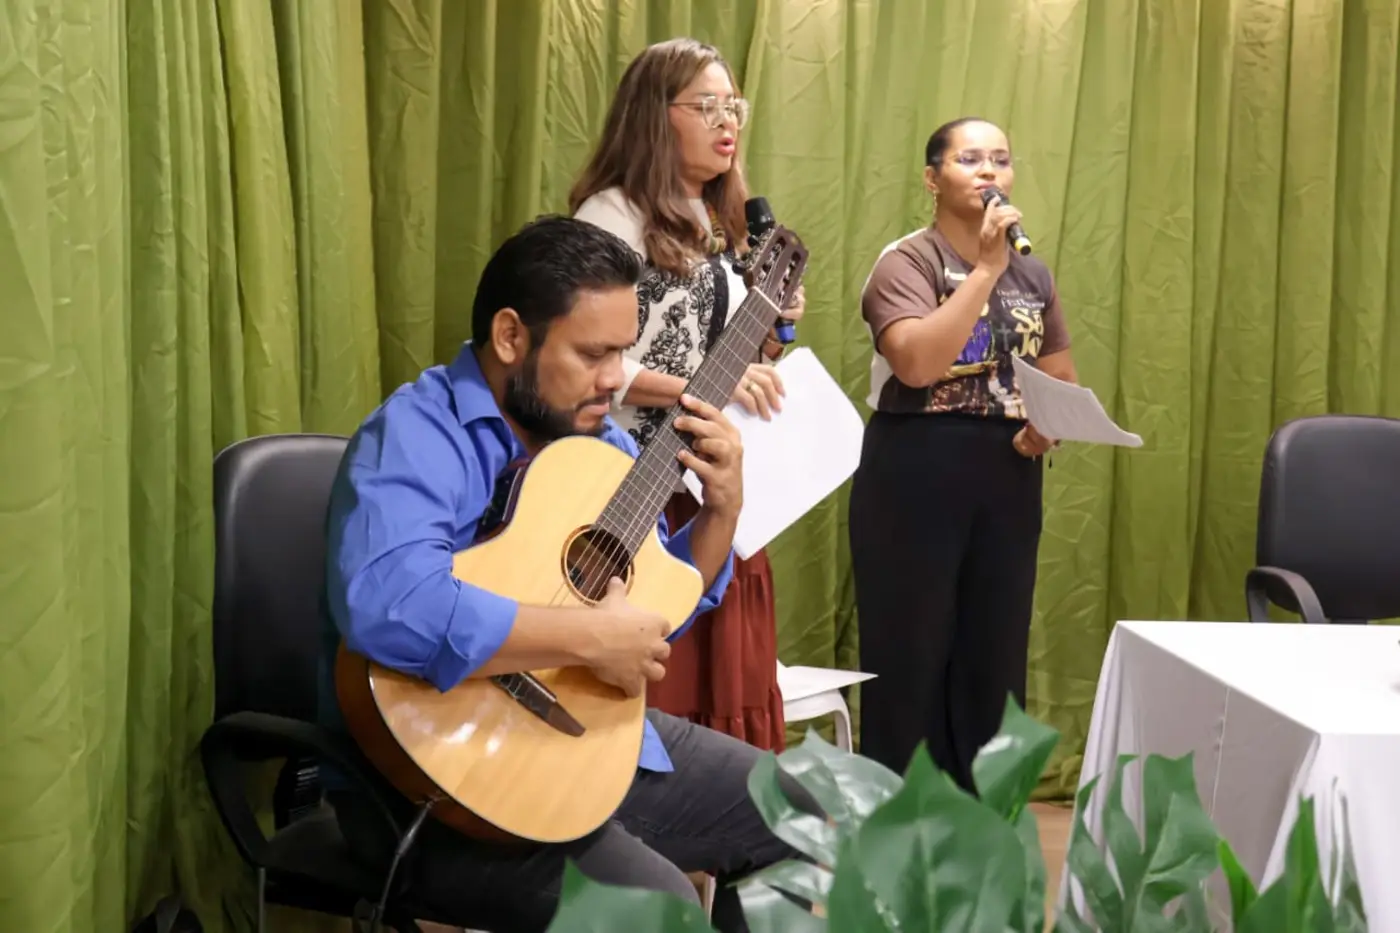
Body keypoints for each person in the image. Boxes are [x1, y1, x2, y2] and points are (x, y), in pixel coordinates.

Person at [318, 216, 813, 932]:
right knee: (657, 910)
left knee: (807, 813)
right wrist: (583, 637)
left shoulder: (598, 441)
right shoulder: (417, 434)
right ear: (510, 337)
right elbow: (389, 605)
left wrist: (721, 511)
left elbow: (652, 611)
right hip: (426, 787)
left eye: (623, 352)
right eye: (593, 354)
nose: (616, 379)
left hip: (585, 739)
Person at [568, 37, 805, 752]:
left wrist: (767, 339)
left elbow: (716, 353)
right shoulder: (611, 214)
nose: (727, 122)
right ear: (654, 113)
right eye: (706, 106)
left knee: (726, 677)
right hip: (634, 487)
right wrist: (709, 384)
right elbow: (593, 359)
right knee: (658, 676)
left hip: (709, 482)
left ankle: (722, 817)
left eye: (733, 106)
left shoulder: (718, 222)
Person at [849, 117, 1078, 792]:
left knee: (994, 652)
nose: (989, 172)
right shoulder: (907, 262)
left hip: (1008, 474)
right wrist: (984, 271)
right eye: (970, 159)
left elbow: (1061, 379)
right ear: (932, 178)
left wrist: (1048, 425)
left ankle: (987, 816)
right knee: (911, 651)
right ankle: (901, 815)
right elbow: (917, 364)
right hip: (916, 468)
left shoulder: (1033, 272)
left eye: (1000, 160)